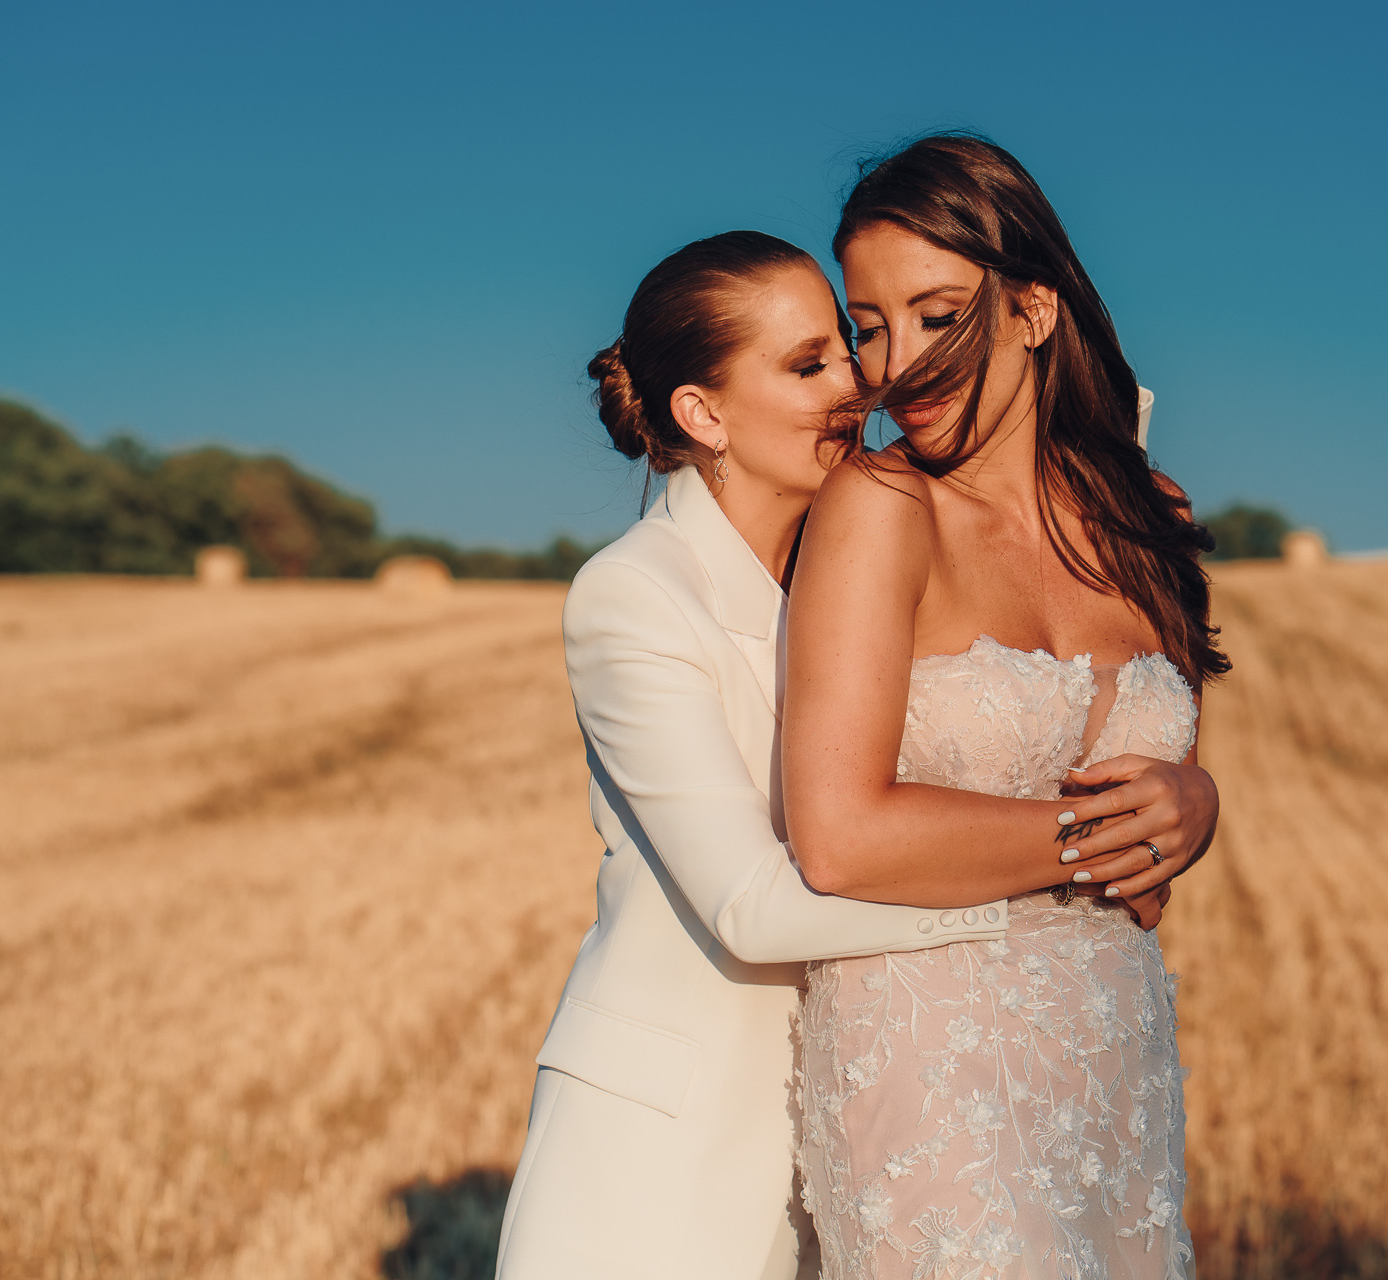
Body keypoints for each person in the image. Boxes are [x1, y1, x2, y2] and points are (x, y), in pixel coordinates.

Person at [496, 229, 1219, 1280]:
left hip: (876, 1118)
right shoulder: (637, 594)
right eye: (810, 365)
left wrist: (1188, 792)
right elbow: (753, 903)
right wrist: (1074, 875)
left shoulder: (857, 552)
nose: (860, 382)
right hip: (671, 1158)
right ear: (702, 415)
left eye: (847, 346)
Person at [786, 135, 1224, 1279]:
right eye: (869, 325)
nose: (897, 364)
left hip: (1115, 1057)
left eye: (937, 314)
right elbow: (837, 835)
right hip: (932, 1054)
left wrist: (1195, 799)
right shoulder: (880, 506)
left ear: (1035, 308)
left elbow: (1159, 838)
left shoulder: (1148, 509)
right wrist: (1095, 840)